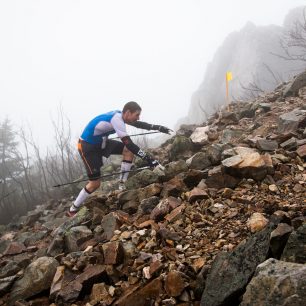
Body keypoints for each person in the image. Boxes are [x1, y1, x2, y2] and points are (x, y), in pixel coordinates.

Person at [67, 101, 172, 217]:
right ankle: (73, 209)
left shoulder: (121, 116)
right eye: (136, 115)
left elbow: (139, 124)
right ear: (128, 112)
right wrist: (150, 160)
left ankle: (122, 184)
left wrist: (159, 128)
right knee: (95, 183)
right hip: (87, 146)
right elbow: (130, 144)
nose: (138, 117)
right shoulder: (117, 120)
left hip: (101, 142)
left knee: (127, 151)